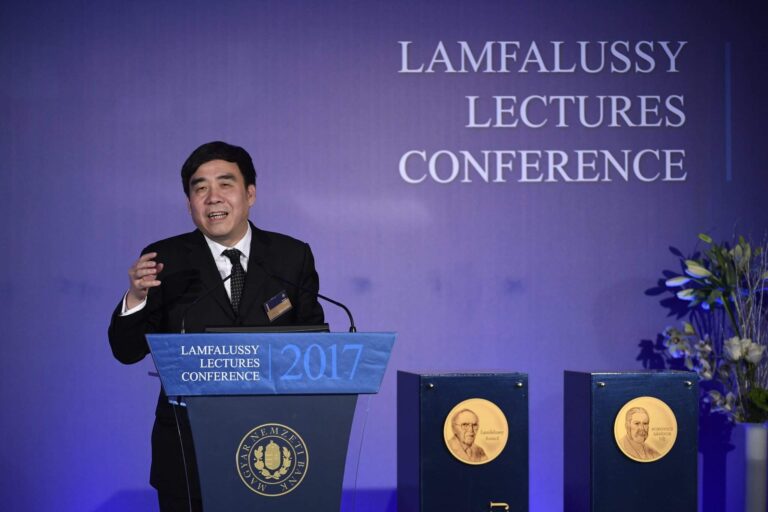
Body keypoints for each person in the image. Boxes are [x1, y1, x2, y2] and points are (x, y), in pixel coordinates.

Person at [108, 141, 324, 511]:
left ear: (250, 194)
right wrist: (136, 297)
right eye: (200, 188)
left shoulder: (290, 256)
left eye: (225, 184)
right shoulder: (165, 260)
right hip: (187, 450)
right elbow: (126, 351)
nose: (213, 197)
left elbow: (316, 348)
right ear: (189, 202)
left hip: (274, 444)